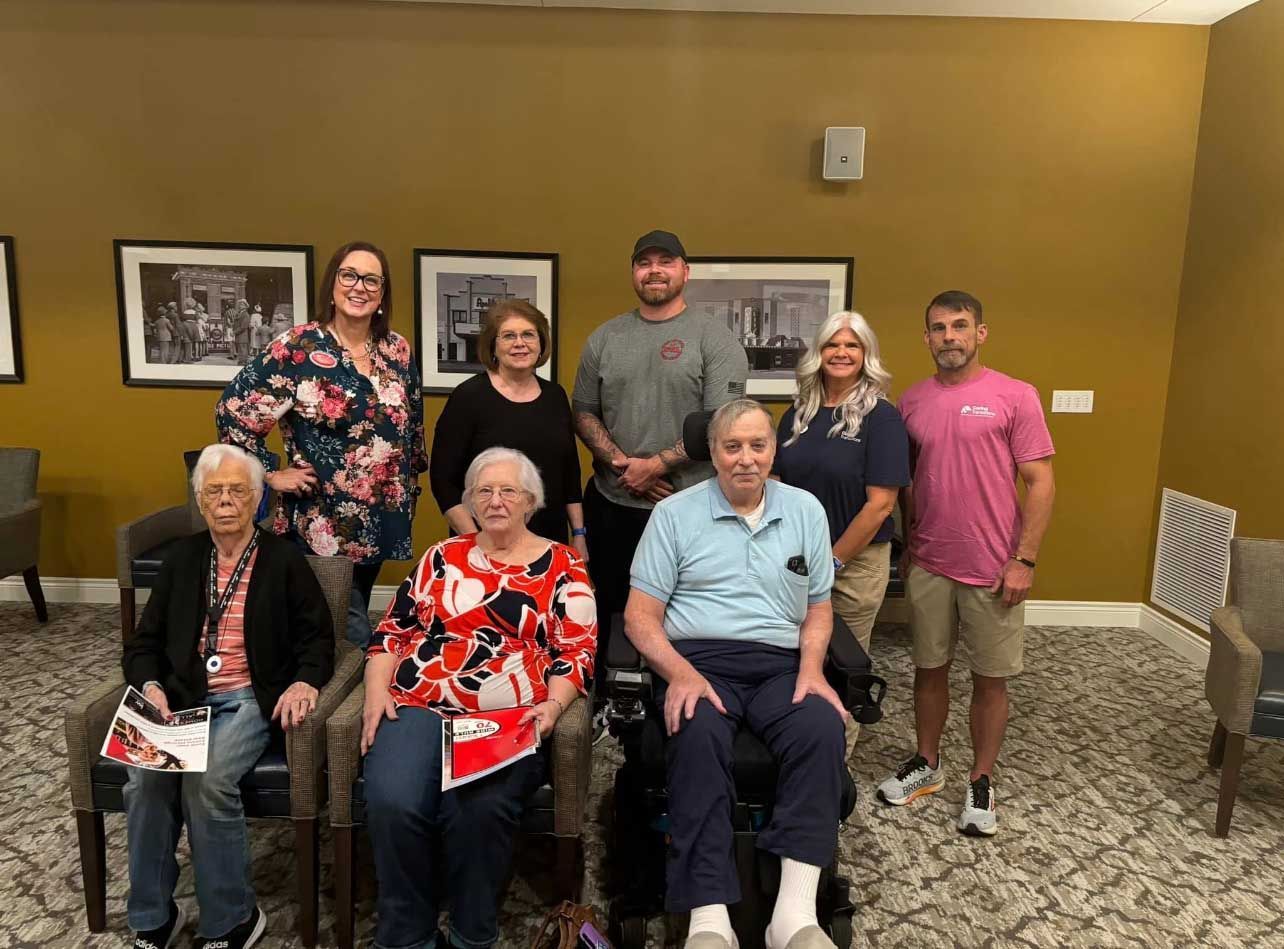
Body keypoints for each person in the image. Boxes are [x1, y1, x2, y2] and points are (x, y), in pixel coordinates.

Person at [625, 399, 847, 949]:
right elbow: (639, 617)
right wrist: (677, 673)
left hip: (780, 664)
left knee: (822, 727)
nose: (745, 459)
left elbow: (819, 607)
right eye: (732, 446)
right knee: (696, 732)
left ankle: (793, 916)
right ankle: (709, 919)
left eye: (757, 446)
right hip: (699, 662)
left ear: (772, 450)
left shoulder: (805, 511)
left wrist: (815, 671)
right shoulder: (673, 515)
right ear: (714, 453)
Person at [362, 446, 596, 949]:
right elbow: (391, 631)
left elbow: (577, 651)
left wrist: (553, 707)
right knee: (391, 799)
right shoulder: (440, 558)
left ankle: (472, 935)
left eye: (507, 490)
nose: (495, 501)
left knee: (476, 812)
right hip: (420, 700)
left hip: (508, 715)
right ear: (469, 500)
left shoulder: (563, 565)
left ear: (530, 501)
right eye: (483, 491)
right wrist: (375, 693)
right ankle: (406, 935)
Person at [121, 443, 334, 949]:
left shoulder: (282, 559)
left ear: (258, 498)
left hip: (245, 699)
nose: (225, 500)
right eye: (214, 490)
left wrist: (305, 680)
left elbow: (320, 638)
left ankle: (233, 919)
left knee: (210, 782)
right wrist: (151, 686)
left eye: (238, 490)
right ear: (199, 499)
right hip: (180, 700)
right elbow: (144, 643)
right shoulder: (181, 559)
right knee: (143, 782)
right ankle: (153, 915)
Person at [876, 290, 1055, 838]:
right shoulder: (910, 402)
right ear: (926, 336)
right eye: (938, 328)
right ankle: (926, 765)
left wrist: (1023, 559)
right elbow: (903, 484)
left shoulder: (1014, 396)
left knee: (990, 680)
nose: (949, 336)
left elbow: (1042, 482)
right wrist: (908, 546)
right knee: (928, 670)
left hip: (995, 565)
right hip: (930, 561)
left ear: (981, 333)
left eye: (960, 326)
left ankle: (981, 778)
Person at [216, 240, 428, 649]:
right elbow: (232, 411)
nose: (359, 287)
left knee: (354, 606)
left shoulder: (396, 350)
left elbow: (412, 420)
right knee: (348, 626)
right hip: (322, 518)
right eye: (349, 275)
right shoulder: (298, 348)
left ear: (382, 294)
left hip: (382, 514)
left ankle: (335, 696)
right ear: (332, 284)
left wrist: (408, 484)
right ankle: (350, 700)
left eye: (371, 279)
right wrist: (269, 473)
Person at [572, 229, 748, 692]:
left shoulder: (715, 339)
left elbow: (722, 420)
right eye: (644, 262)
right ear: (633, 272)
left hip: (690, 506)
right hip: (613, 502)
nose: (655, 271)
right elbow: (584, 410)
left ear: (684, 272)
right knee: (610, 603)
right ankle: (611, 699)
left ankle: (680, 692)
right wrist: (622, 464)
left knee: (683, 608)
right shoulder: (605, 337)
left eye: (665, 262)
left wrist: (657, 465)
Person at [772, 311, 909, 652]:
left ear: (866, 355)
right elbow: (775, 482)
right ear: (818, 353)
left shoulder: (881, 417)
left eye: (852, 345)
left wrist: (831, 562)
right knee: (791, 649)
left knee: (843, 657)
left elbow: (881, 506)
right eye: (832, 344)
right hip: (796, 556)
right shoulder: (798, 414)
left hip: (853, 564)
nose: (841, 352)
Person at [431, 298, 586, 557]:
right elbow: (443, 482)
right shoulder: (468, 397)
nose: (519, 343)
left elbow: (570, 474)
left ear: (541, 343)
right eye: (508, 336)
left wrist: (579, 536)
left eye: (528, 334)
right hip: (485, 544)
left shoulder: (555, 396)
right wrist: (476, 542)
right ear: (493, 345)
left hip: (548, 541)